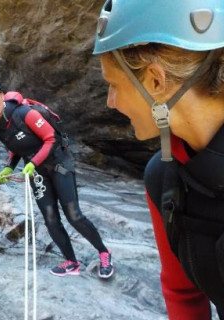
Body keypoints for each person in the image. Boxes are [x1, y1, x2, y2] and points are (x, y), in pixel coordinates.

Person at [93, 0, 224, 319]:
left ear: (155, 80)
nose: (110, 103)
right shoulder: (164, 180)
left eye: (113, 85)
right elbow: (182, 293)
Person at [0, 79, 114, 278]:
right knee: (50, 219)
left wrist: (33, 163)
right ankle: (71, 262)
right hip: (38, 172)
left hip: (59, 164)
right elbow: (16, 150)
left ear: (2, 95)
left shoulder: (25, 113)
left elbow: (51, 138)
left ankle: (104, 253)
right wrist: (7, 168)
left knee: (73, 215)